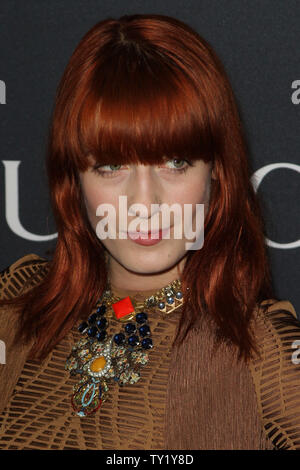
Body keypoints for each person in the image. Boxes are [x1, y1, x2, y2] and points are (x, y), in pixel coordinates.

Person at [0, 13, 299, 451]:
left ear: (217, 173)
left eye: (175, 162)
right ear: (74, 180)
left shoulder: (262, 350)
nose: (143, 203)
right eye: (111, 165)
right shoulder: (13, 311)